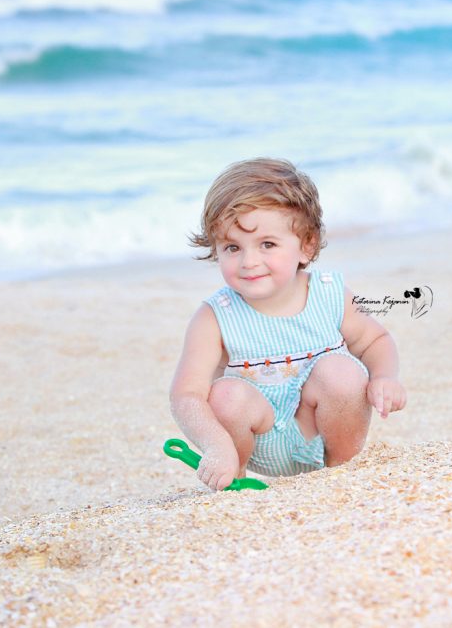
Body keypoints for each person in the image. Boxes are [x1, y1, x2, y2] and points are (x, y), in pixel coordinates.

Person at [169, 158, 407, 490]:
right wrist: (215, 444)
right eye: (232, 247)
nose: (249, 261)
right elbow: (186, 395)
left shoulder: (329, 295)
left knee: (342, 371)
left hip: (319, 428)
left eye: (267, 244)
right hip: (256, 435)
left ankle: (341, 472)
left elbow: (375, 340)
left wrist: (384, 377)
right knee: (224, 395)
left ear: (306, 246)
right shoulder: (214, 316)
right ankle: (233, 481)